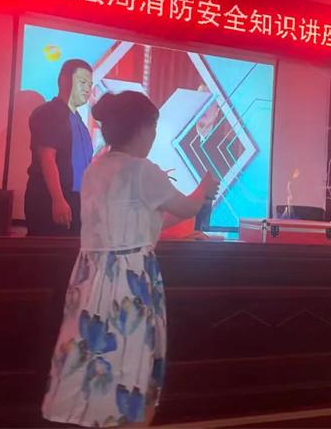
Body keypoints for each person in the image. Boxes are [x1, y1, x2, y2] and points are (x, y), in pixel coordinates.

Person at [41, 91, 219, 427]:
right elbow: (187, 208)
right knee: (130, 358)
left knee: (88, 356)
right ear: (142, 129)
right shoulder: (142, 170)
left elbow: (142, 220)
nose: (153, 137)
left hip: (91, 278)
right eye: (153, 130)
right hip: (128, 278)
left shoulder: (95, 169)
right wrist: (205, 188)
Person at [25, 59, 94, 236]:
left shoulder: (78, 120)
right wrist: (58, 200)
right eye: (83, 82)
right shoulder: (49, 113)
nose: (88, 89)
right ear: (64, 81)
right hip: (50, 200)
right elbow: (47, 158)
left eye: (90, 84)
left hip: (75, 201)